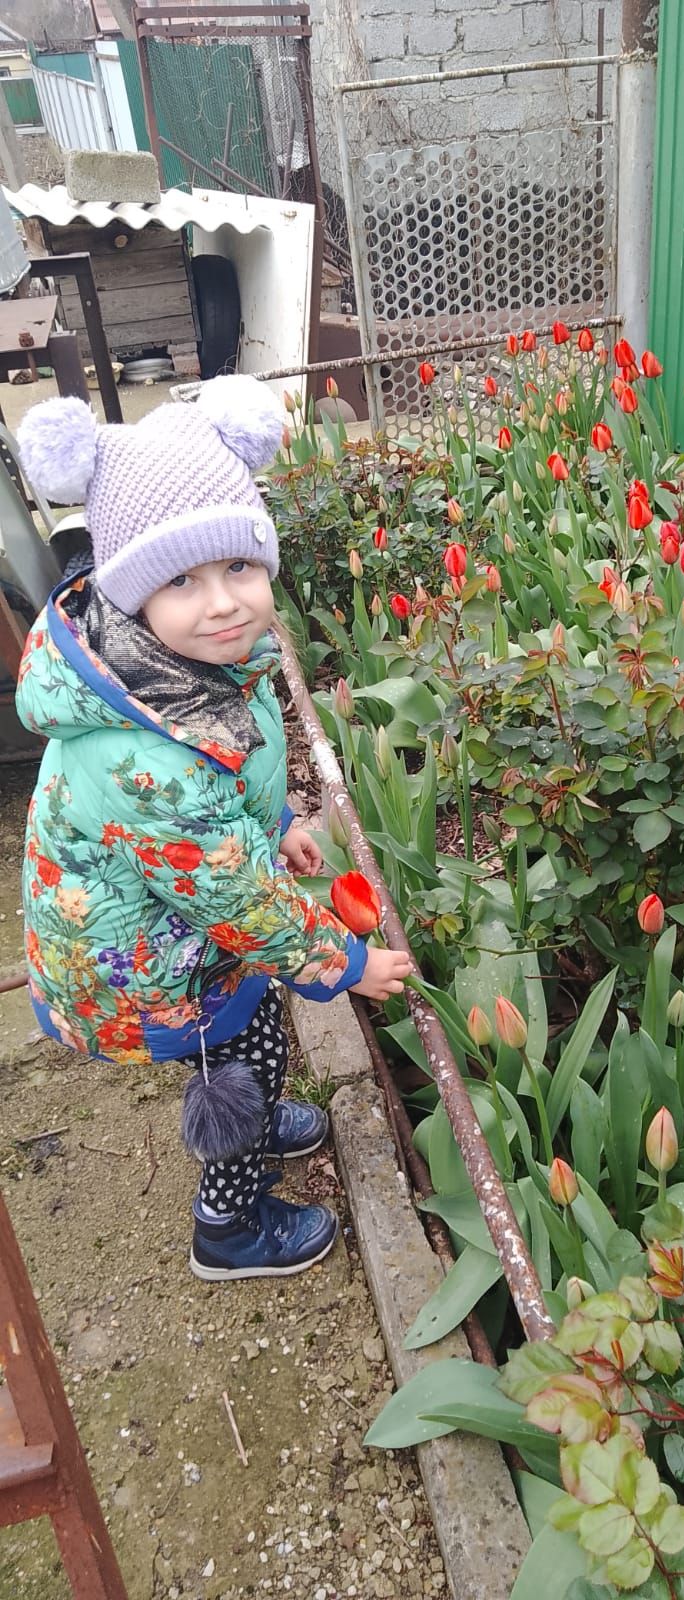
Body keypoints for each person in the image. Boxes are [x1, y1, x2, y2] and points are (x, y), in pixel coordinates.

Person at [15, 375, 411, 1282]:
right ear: (131, 596)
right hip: (146, 962)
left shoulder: (195, 668)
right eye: (182, 580)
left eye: (238, 566)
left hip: (181, 918)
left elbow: (237, 776)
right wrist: (344, 964)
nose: (224, 601)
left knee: (256, 1028)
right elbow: (235, 898)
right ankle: (228, 1225)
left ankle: (260, 1121)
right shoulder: (143, 752)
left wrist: (277, 822)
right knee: (244, 1056)